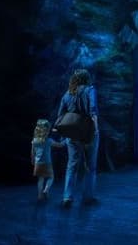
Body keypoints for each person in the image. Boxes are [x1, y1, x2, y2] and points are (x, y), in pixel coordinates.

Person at [55, 68, 100, 207]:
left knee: (72, 165)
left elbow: (60, 114)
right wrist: (96, 129)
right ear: (87, 79)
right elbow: (93, 110)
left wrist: (62, 132)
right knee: (90, 166)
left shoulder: (67, 94)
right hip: (88, 133)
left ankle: (67, 197)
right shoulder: (90, 90)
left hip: (72, 135)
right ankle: (88, 197)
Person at [31, 119, 66, 201]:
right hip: (47, 163)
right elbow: (60, 145)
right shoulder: (49, 141)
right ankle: (46, 190)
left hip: (38, 163)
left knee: (40, 179)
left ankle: (39, 195)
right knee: (51, 177)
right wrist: (65, 140)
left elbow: (32, 152)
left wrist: (32, 160)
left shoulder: (34, 141)